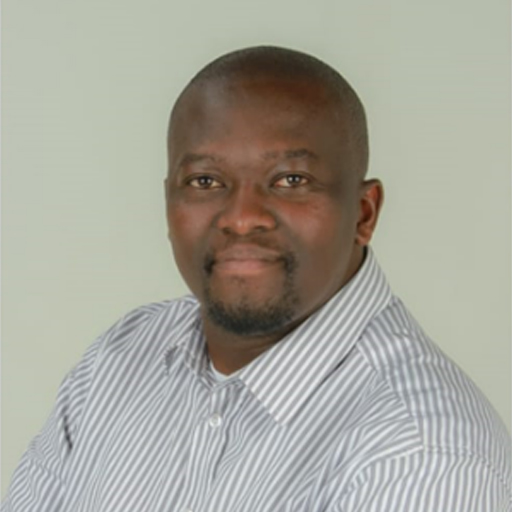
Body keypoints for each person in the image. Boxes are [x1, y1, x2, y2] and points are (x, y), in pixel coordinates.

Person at [2, 46, 510, 511]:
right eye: (205, 180)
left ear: (363, 213)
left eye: (291, 180)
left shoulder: (422, 458)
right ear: (168, 202)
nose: (242, 217)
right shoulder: (119, 360)